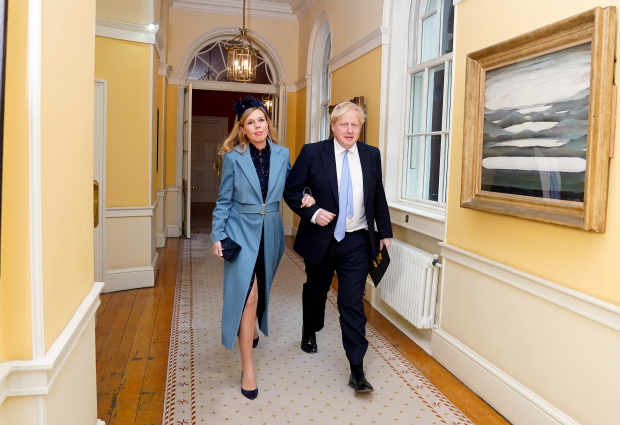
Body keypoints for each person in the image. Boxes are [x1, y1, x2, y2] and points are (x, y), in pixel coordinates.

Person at [283, 101, 392, 393]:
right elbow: (291, 191)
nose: (349, 130)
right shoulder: (312, 152)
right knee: (316, 290)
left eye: (355, 125)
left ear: (360, 128)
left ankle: (356, 367)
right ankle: (310, 327)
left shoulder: (371, 155)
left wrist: (385, 230)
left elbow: (377, 195)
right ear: (333, 126)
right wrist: (314, 212)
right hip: (321, 238)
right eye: (344, 124)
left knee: (351, 302)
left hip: (357, 240)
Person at [211, 96, 315, 400]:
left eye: (262, 120)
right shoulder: (234, 157)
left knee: (261, 291)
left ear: (268, 123)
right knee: (248, 295)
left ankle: (252, 330)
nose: (258, 126)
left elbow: (294, 188)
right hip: (239, 231)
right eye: (251, 122)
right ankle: (248, 369)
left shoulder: (283, 155)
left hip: (270, 233)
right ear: (242, 129)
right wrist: (218, 234)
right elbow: (224, 201)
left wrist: (307, 196)